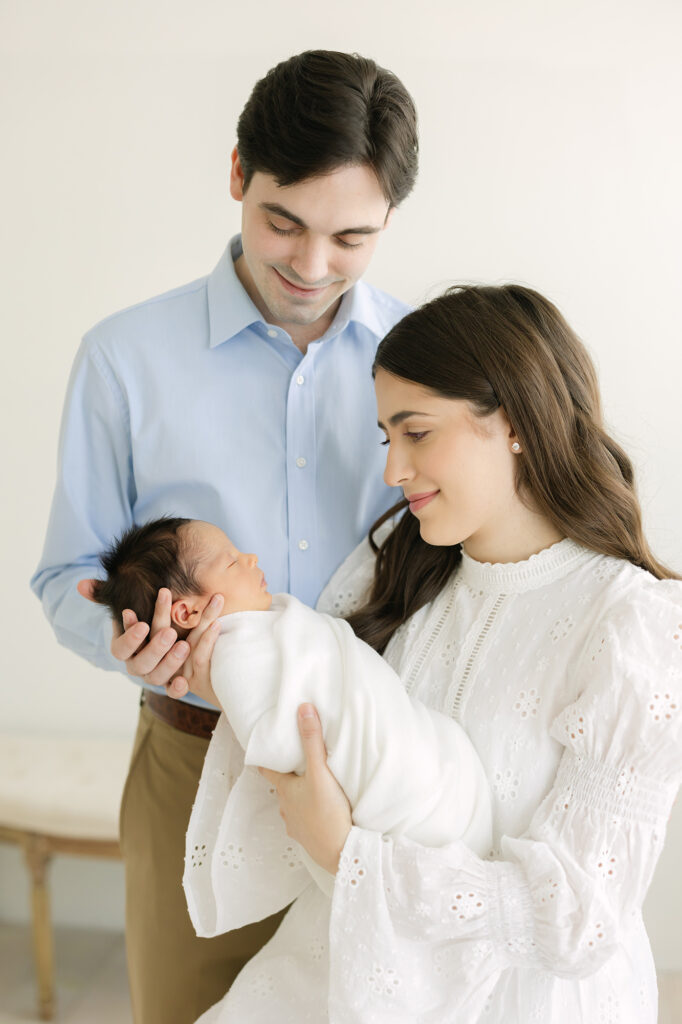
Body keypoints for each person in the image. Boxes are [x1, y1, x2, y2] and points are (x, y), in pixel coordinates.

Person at [30, 50, 419, 1024]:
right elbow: (65, 576)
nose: (310, 264)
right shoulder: (124, 359)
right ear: (238, 173)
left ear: (387, 225)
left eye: (352, 238)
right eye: (283, 220)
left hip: (375, 764)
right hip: (187, 758)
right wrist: (134, 646)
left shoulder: (421, 362)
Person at [180, 284, 682, 1023]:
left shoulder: (632, 625)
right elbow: (318, 741)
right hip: (344, 979)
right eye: (388, 438)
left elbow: (580, 919)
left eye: (415, 433)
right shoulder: (392, 575)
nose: (393, 471)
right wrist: (228, 674)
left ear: (513, 421)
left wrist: (349, 853)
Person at [88, 514, 492, 903]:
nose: (251, 559)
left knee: (425, 750)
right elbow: (274, 740)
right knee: (413, 781)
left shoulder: (261, 627)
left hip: (395, 719)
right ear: (188, 611)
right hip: (355, 766)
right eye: (231, 560)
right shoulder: (231, 659)